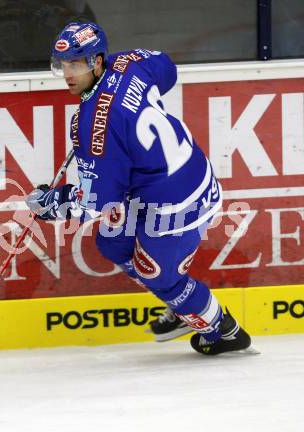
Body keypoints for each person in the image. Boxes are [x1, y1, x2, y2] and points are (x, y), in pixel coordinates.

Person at [26, 21, 254, 355]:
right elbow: (167, 68)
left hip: (178, 203)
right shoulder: (129, 62)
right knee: (113, 242)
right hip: (163, 184)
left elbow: (96, 202)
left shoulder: (93, 126)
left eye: (76, 64)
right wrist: (118, 113)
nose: (67, 74)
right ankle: (181, 304)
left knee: (159, 276)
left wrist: (52, 204)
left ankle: (225, 331)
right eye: (62, 65)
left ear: (97, 61)